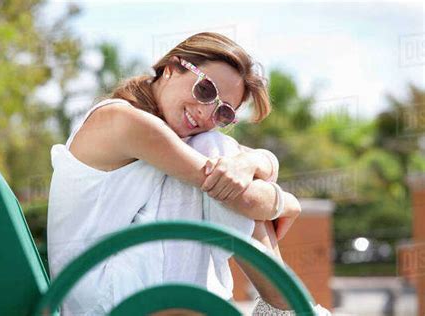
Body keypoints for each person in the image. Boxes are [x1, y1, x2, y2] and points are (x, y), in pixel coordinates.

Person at [47, 32, 328, 315]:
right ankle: (284, 307)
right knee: (213, 150)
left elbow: (254, 165)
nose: (207, 113)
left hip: (113, 289)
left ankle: (282, 307)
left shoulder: (170, 137)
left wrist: (251, 162)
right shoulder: (124, 120)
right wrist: (287, 202)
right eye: (205, 90)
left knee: (218, 153)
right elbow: (244, 197)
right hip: (99, 297)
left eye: (223, 114)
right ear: (171, 68)